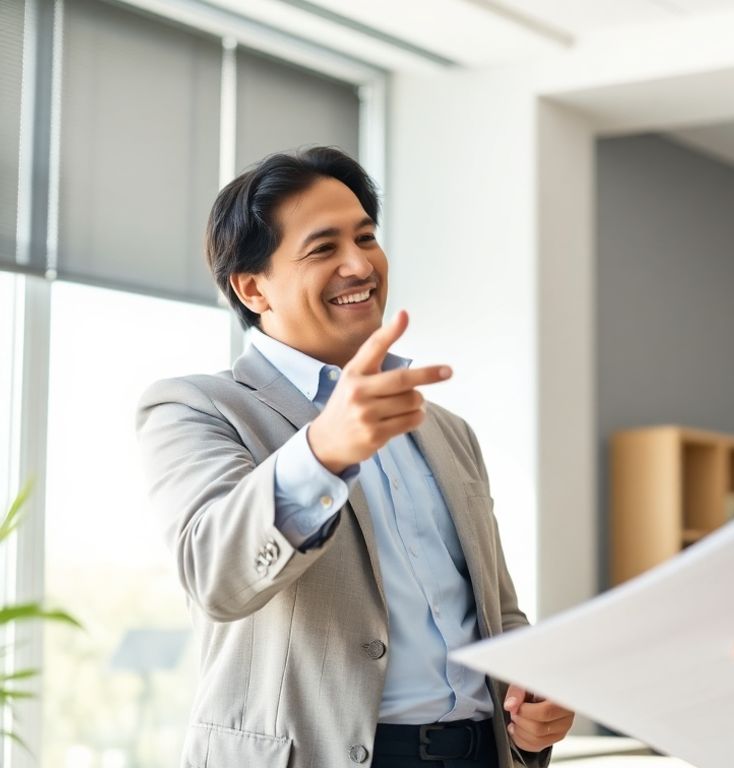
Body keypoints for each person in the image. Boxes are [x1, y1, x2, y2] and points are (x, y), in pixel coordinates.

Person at [137, 147, 574, 768]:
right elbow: (216, 577)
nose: (358, 263)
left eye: (366, 237)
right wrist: (322, 452)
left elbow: (497, 611)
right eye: (323, 248)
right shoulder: (196, 407)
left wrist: (535, 705)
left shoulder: (445, 430)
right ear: (253, 287)